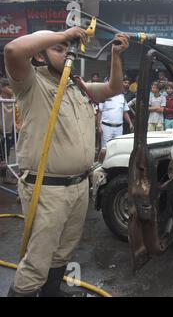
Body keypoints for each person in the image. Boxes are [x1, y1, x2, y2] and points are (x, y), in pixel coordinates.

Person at [4, 27, 129, 297]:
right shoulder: (31, 82)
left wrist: (116, 56)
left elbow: (114, 88)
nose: (66, 52)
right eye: (58, 49)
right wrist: (63, 34)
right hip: (47, 189)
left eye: (66, 48)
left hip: (78, 186)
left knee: (64, 250)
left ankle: (51, 292)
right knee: (37, 260)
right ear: (39, 56)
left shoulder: (77, 85)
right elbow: (13, 50)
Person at [97, 89, 134, 161]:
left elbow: (124, 112)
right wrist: (98, 125)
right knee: (105, 148)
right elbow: (99, 112)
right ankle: (101, 165)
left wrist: (130, 123)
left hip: (119, 127)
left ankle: (113, 165)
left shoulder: (122, 97)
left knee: (117, 148)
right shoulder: (105, 96)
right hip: (106, 126)